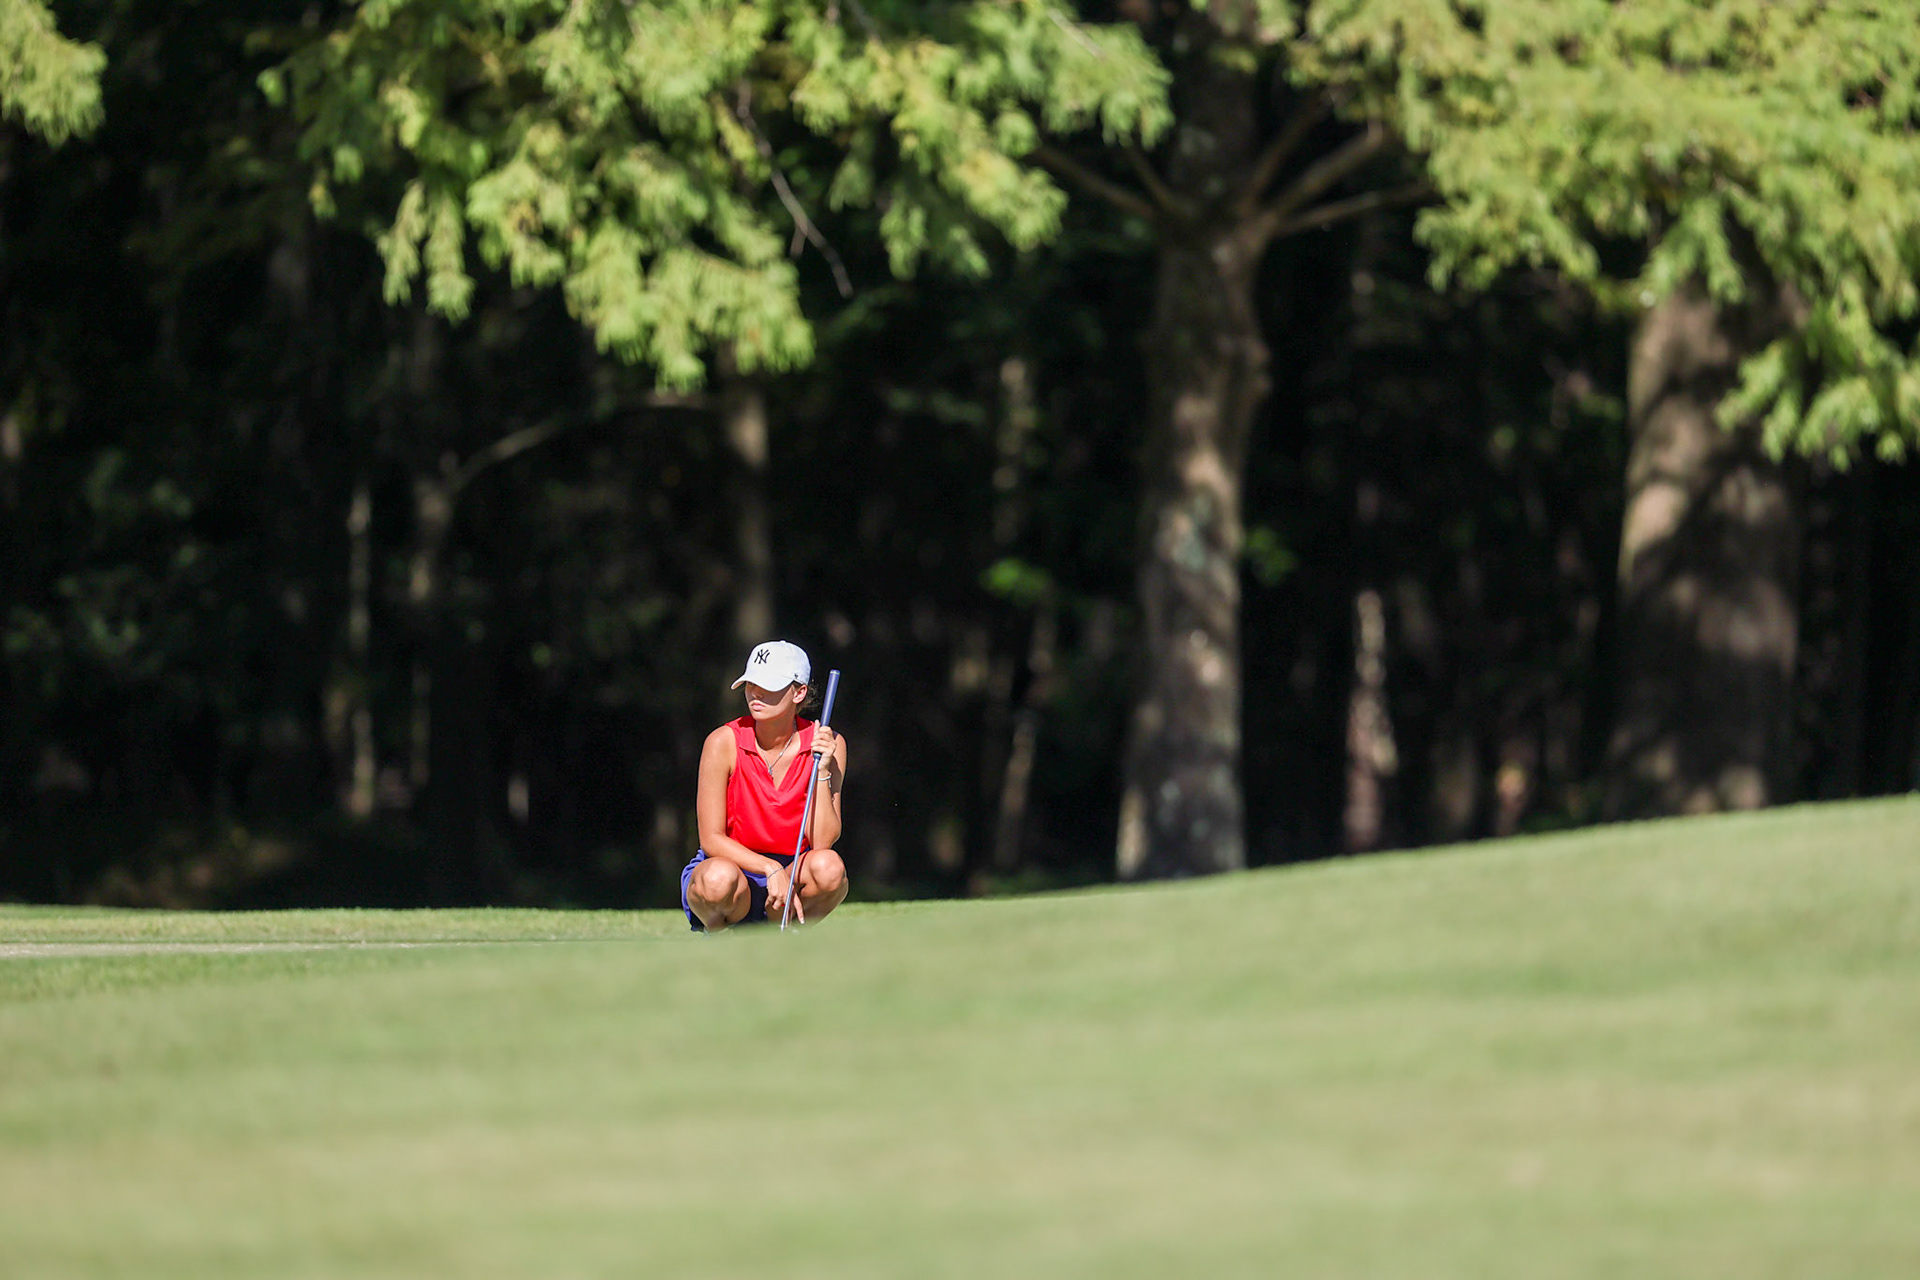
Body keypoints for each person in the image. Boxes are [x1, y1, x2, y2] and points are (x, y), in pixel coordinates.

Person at [680, 640, 849, 931]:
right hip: (731, 871)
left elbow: (822, 842)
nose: (755, 693)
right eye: (750, 683)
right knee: (717, 879)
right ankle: (719, 939)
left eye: (768, 685)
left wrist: (821, 771)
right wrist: (770, 868)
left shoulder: (828, 744)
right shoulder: (722, 742)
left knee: (830, 868)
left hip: (793, 872)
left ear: (799, 692)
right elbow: (711, 838)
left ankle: (785, 939)